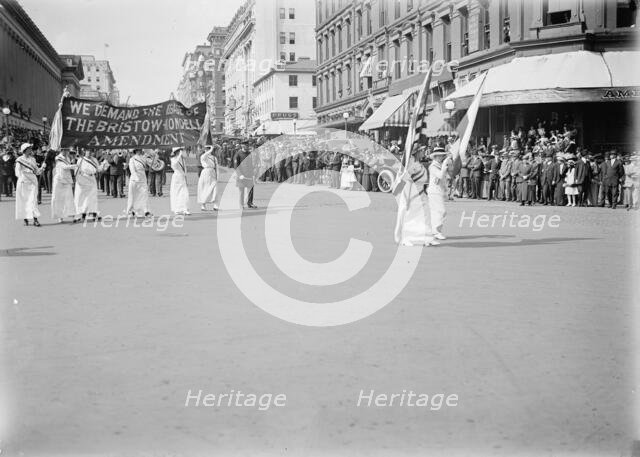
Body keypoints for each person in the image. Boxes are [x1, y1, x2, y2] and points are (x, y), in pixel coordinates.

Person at [15, 143, 45, 226]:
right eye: (29, 148)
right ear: (25, 150)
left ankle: (35, 220)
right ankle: (25, 219)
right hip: (23, 181)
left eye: (30, 148)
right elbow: (17, 171)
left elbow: (37, 171)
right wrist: (21, 179)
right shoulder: (19, 159)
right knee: (24, 201)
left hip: (32, 181)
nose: (30, 149)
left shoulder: (33, 159)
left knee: (33, 200)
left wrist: (42, 168)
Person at [427, 147, 451, 243]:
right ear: (435, 156)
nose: (441, 157)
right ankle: (436, 231)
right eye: (440, 156)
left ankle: (434, 231)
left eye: (442, 156)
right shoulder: (433, 166)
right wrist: (445, 165)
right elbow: (440, 175)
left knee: (436, 211)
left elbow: (443, 179)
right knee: (441, 211)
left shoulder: (439, 165)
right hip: (434, 191)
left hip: (438, 190)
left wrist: (445, 189)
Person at [51, 147, 77, 223]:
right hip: (59, 180)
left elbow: (68, 166)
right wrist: (74, 166)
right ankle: (60, 216)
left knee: (69, 197)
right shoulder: (58, 157)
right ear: (62, 150)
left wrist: (73, 162)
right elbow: (64, 167)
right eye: (66, 150)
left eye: (68, 150)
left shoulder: (68, 158)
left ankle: (71, 214)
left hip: (67, 179)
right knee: (58, 198)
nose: (68, 152)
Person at [74, 149, 101, 222]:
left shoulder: (94, 159)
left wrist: (104, 165)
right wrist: (78, 180)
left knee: (93, 197)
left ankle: (94, 213)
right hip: (83, 179)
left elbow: (98, 169)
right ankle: (82, 214)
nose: (89, 152)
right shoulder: (80, 160)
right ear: (84, 152)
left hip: (92, 178)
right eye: (87, 151)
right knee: (82, 198)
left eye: (90, 151)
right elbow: (76, 171)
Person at [126, 148, 152, 218]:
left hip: (143, 178)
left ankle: (146, 211)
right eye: (138, 150)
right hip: (134, 180)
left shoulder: (144, 158)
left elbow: (151, 164)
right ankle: (131, 211)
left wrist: (153, 155)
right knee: (133, 195)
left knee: (144, 194)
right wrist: (136, 177)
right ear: (136, 151)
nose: (140, 151)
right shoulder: (132, 159)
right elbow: (132, 169)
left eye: (140, 149)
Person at [169, 146, 190, 215]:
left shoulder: (182, 159)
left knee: (185, 193)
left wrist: (185, 176)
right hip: (176, 177)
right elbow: (174, 165)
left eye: (180, 150)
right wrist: (178, 156)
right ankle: (176, 209)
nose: (180, 152)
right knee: (176, 193)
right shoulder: (173, 159)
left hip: (182, 177)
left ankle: (185, 208)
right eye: (178, 151)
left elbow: (185, 168)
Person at [197, 145, 218, 211]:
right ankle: (203, 205)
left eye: (208, 149)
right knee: (205, 188)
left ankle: (215, 204)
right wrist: (210, 150)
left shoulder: (214, 158)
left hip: (213, 173)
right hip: (205, 172)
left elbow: (217, 167)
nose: (207, 150)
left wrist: (218, 176)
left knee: (215, 188)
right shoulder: (203, 157)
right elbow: (204, 156)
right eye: (206, 149)